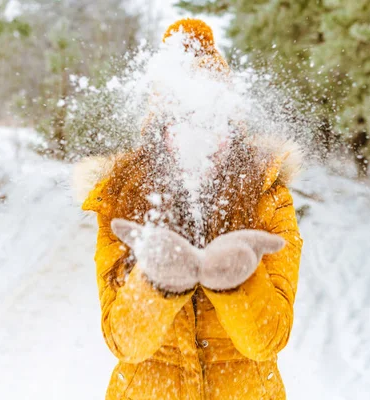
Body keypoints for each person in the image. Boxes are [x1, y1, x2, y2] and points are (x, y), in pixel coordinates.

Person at [79, 18, 303, 400]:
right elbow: (125, 343)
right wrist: (156, 284)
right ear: (160, 128)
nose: (197, 137)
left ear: (230, 124)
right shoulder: (120, 198)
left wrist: (236, 280)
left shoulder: (267, 195)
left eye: (208, 121)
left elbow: (266, 341)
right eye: (181, 121)